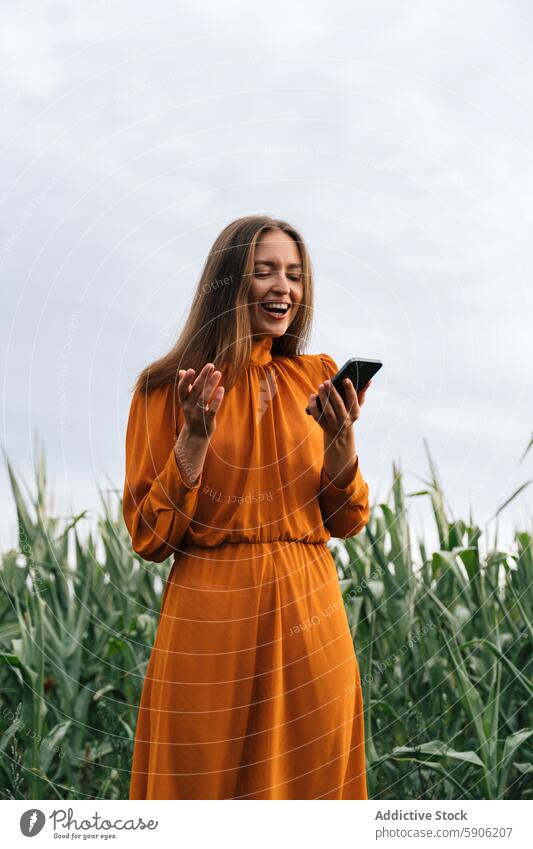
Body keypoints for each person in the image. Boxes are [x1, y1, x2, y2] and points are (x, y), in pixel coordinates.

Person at [122, 214, 372, 800]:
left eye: (294, 274)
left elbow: (347, 519)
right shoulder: (163, 388)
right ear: (229, 282)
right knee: (199, 786)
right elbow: (148, 537)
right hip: (209, 613)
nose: (283, 287)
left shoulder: (318, 377)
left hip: (310, 612)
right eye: (265, 272)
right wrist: (194, 438)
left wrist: (341, 444)